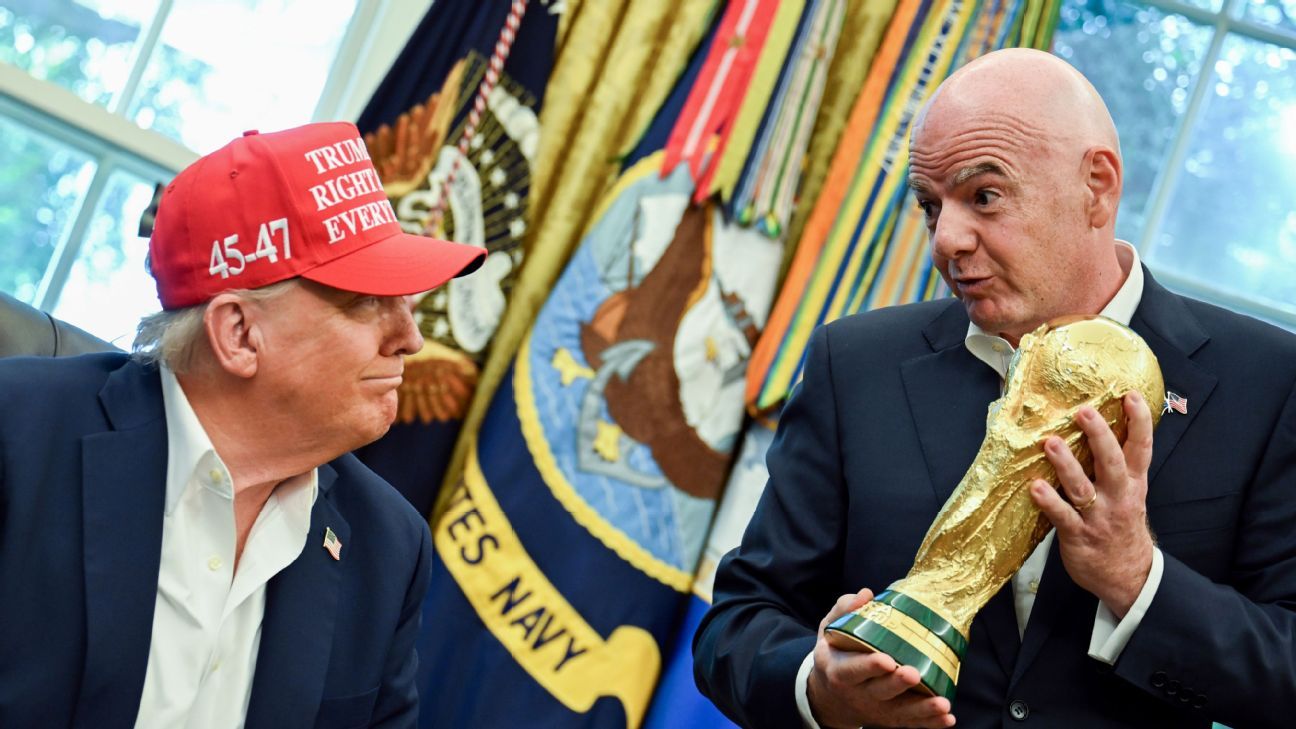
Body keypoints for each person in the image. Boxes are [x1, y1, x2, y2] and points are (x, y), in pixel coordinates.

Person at [693, 48, 1296, 729]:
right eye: (930, 206)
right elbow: (736, 623)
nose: (946, 240)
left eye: (984, 196)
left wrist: (1136, 579)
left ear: (1096, 187)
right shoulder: (855, 363)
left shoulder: (1269, 384)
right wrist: (821, 688)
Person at [0, 121, 485, 728]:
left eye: (406, 305)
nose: (410, 339)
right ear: (238, 334)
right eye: (367, 302)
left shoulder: (388, 545)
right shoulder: (17, 434)